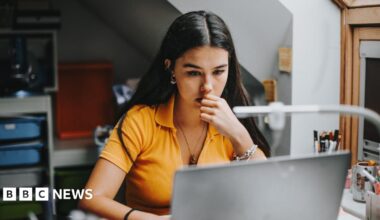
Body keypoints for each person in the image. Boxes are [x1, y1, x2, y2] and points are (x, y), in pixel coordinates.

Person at [79, 10, 270, 220]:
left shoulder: (232, 121)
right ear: (171, 69)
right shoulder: (140, 121)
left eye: (218, 72)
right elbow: (91, 198)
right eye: (194, 73)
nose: (207, 87)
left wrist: (238, 134)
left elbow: (265, 191)